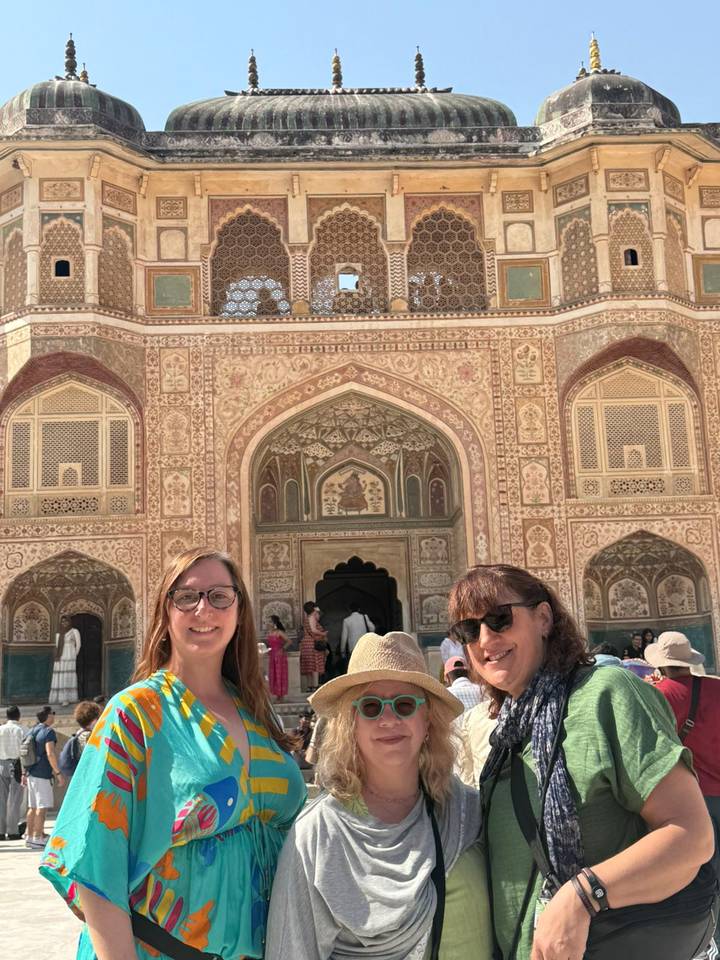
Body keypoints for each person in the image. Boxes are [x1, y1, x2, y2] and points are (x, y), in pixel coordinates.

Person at [40, 546, 307, 960]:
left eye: (220, 596)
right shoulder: (136, 713)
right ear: (166, 613)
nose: (204, 610)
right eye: (187, 597)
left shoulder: (257, 713)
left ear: (239, 609)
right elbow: (95, 862)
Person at [448, 564, 715, 960]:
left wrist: (583, 895)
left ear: (543, 618)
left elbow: (691, 837)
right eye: (469, 631)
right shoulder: (507, 728)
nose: (486, 638)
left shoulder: (607, 694)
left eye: (499, 618)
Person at [265, 631, 492, 960]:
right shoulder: (318, 834)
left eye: (404, 704)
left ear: (427, 720)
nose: (389, 719)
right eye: (370, 707)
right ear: (351, 724)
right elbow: (291, 949)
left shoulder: (465, 811)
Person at [648, 631, 720, 941]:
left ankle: (710, 939)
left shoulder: (658, 695)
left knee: (704, 875)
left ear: (662, 665)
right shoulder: (717, 688)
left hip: (695, 799)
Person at [25, 705, 64, 849]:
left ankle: (29, 836)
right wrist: (58, 773)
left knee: (32, 806)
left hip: (31, 773)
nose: (54, 716)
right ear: (48, 716)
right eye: (53, 713)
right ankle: (38, 837)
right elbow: (50, 753)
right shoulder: (48, 732)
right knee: (42, 808)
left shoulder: (32, 730)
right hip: (43, 773)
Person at [0, 705, 24, 840]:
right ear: (18, 716)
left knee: (1, 799)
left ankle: (0, 831)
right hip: (16, 765)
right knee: (15, 800)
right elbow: (23, 751)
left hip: (1, 763)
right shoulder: (20, 730)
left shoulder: (1, 729)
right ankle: (13, 831)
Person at [49, 615, 81, 705]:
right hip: (60, 657)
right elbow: (56, 646)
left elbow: (78, 645)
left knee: (67, 676)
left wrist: (74, 654)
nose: (64, 623)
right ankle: (60, 698)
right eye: (63, 621)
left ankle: (67, 698)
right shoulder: (58, 633)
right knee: (60, 676)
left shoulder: (74, 631)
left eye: (66, 621)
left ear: (69, 622)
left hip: (70, 656)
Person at [300, 600, 328, 692]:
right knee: (314, 666)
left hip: (306, 643)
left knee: (309, 666)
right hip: (312, 644)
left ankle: (309, 686)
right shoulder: (311, 617)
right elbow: (313, 630)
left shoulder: (307, 618)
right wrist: (323, 633)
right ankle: (315, 686)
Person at [266, 614, 291, 700]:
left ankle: (281, 696)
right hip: (272, 655)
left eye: (269, 621)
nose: (267, 623)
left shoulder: (279, 632)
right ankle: (277, 695)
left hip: (280, 656)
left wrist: (282, 649)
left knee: (280, 674)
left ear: (274, 623)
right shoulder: (269, 632)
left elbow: (289, 641)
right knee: (274, 675)